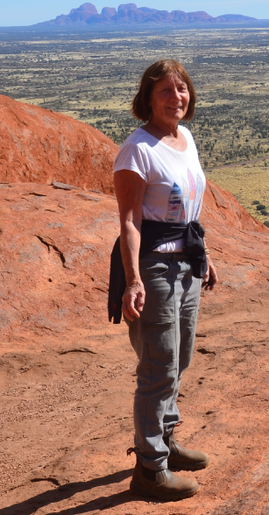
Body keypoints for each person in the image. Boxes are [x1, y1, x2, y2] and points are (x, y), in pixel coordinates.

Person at [110, 59, 219, 501]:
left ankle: (167, 443)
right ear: (147, 99)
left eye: (182, 90)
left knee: (181, 358)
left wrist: (204, 255)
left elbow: (189, 209)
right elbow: (130, 220)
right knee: (158, 368)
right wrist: (133, 280)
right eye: (166, 92)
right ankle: (150, 469)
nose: (177, 98)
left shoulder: (185, 138)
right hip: (153, 270)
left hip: (186, 265)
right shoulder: (137, 150)